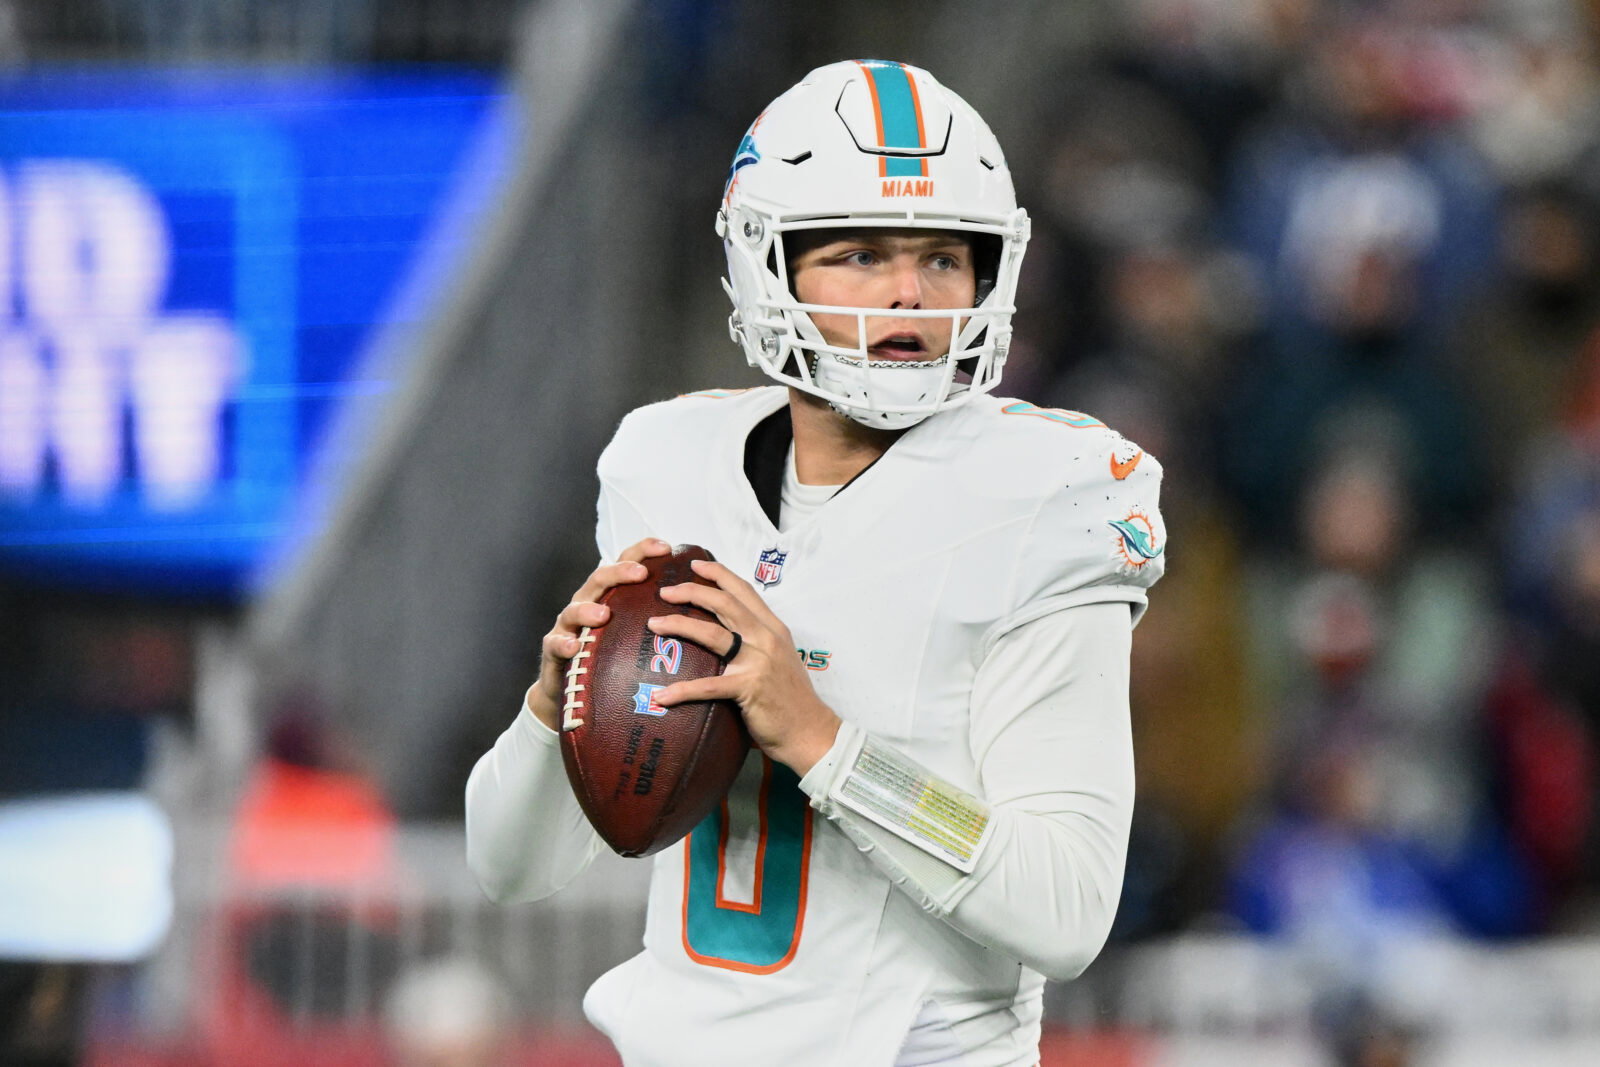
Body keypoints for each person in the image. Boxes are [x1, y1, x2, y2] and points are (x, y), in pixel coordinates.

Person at [465, 60, 1166, 1066]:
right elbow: (509, 864)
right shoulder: (667, 466)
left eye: (943, 257)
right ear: (770, 265)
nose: (908, 296)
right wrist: (551, 712)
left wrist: (825, 742)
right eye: (859, 254)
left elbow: (1066, 908)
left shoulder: (1045, 500)